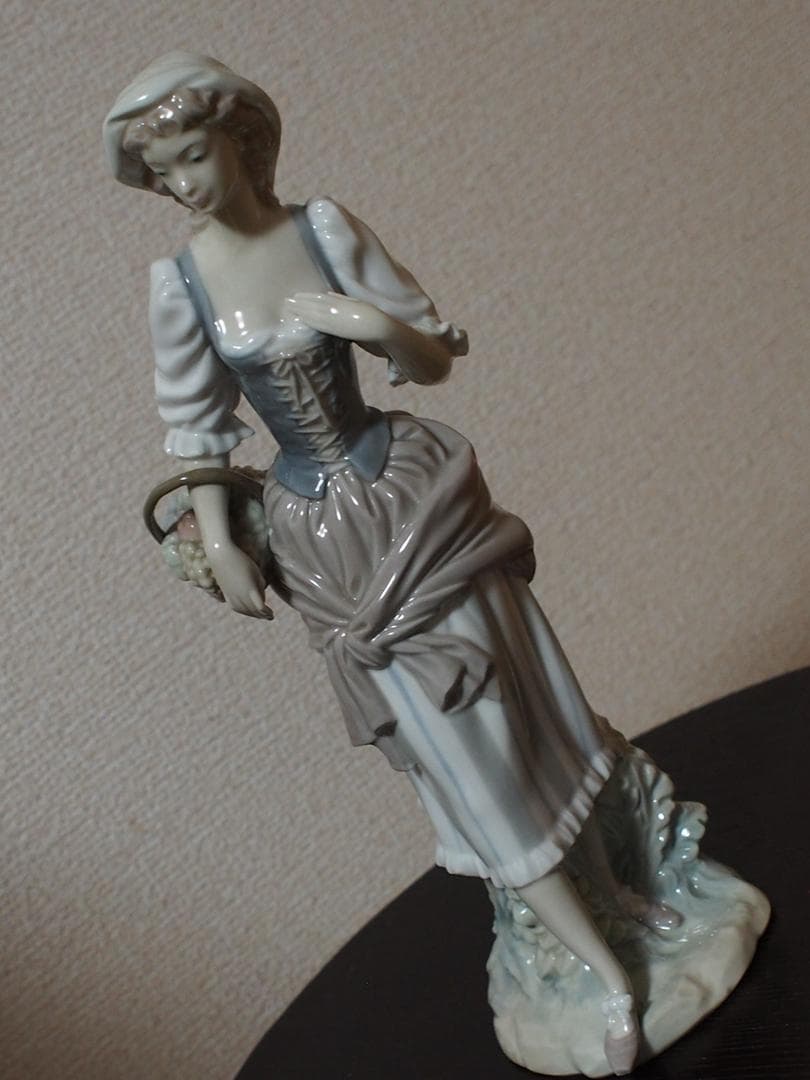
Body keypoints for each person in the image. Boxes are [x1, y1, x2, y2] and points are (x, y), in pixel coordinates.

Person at [104, 52, 678, 1074]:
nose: (184, 184)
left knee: (530, 710)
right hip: (329, 540)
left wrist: (366, 324)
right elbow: (199, 432)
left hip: (415, 499)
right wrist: (223, 541)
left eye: (193, 155)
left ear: (241, 137)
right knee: (463, 759)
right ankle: (601, 972)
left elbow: (430, 357)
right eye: (164, 172)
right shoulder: (178, 284)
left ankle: (617, 899)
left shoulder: (323, 229)